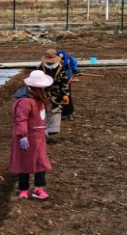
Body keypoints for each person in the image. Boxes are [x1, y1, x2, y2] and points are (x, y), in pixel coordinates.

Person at [11, 69, 53, 200]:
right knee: (25, 163)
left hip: (39, 136)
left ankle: (38, 189)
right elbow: (21, 119)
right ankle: (23, 190)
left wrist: (44, 128)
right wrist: (23, 136)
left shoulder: (38, 100)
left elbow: (41, 117)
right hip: (28, 137)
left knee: (40, 163)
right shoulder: (25, 102)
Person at [38, 49, 70, 139]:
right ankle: (41, 130)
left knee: (54, 111)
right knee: (41, 112)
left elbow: (64, 83)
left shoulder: (60, 69)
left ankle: (50, 131)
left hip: (56, 95)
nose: (49, 64)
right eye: (48, 62)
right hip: (42, 93)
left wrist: (65, 94)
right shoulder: (40, 68)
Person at [56, 48, 80, 119]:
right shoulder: (53, 61)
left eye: (63, 60)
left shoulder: (72, 60)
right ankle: (59, 112)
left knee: (67, 96)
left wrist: (75, 72)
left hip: (67, 80)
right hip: (57, 80)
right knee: (57, 95)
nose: (62, 61)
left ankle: (69, 113)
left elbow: (75, 69)